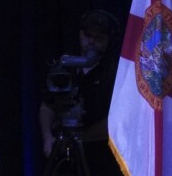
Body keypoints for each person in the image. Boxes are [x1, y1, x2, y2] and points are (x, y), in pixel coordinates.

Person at [39, 10, 121, 175]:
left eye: (98, 38)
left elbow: (117, 122)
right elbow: (47, 106)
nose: (91, 42)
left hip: (101, 157)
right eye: (88, 35)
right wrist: (48, 138)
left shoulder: (115, 73)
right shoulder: (64, 68)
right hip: (65, 154)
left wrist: (79, 137)